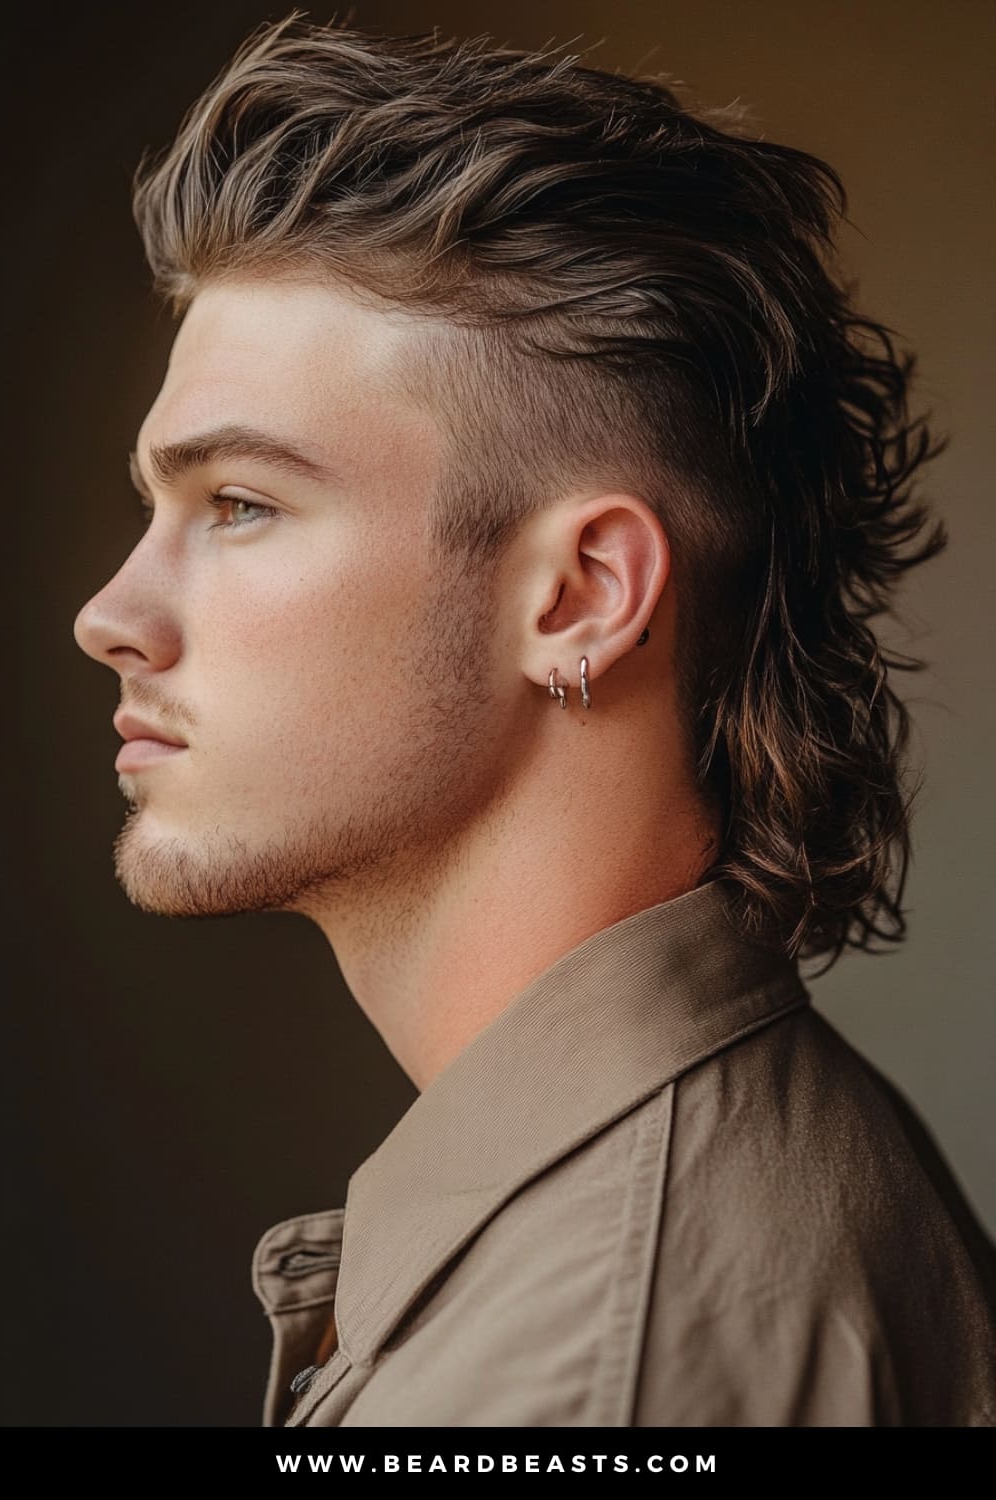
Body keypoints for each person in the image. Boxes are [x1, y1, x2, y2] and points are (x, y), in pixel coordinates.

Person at [72, 11, 995, 1427]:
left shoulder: (596, 1372)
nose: (110, 613)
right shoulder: (629, 1245)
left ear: (577, 596)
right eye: (158, 506)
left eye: (240, 504)